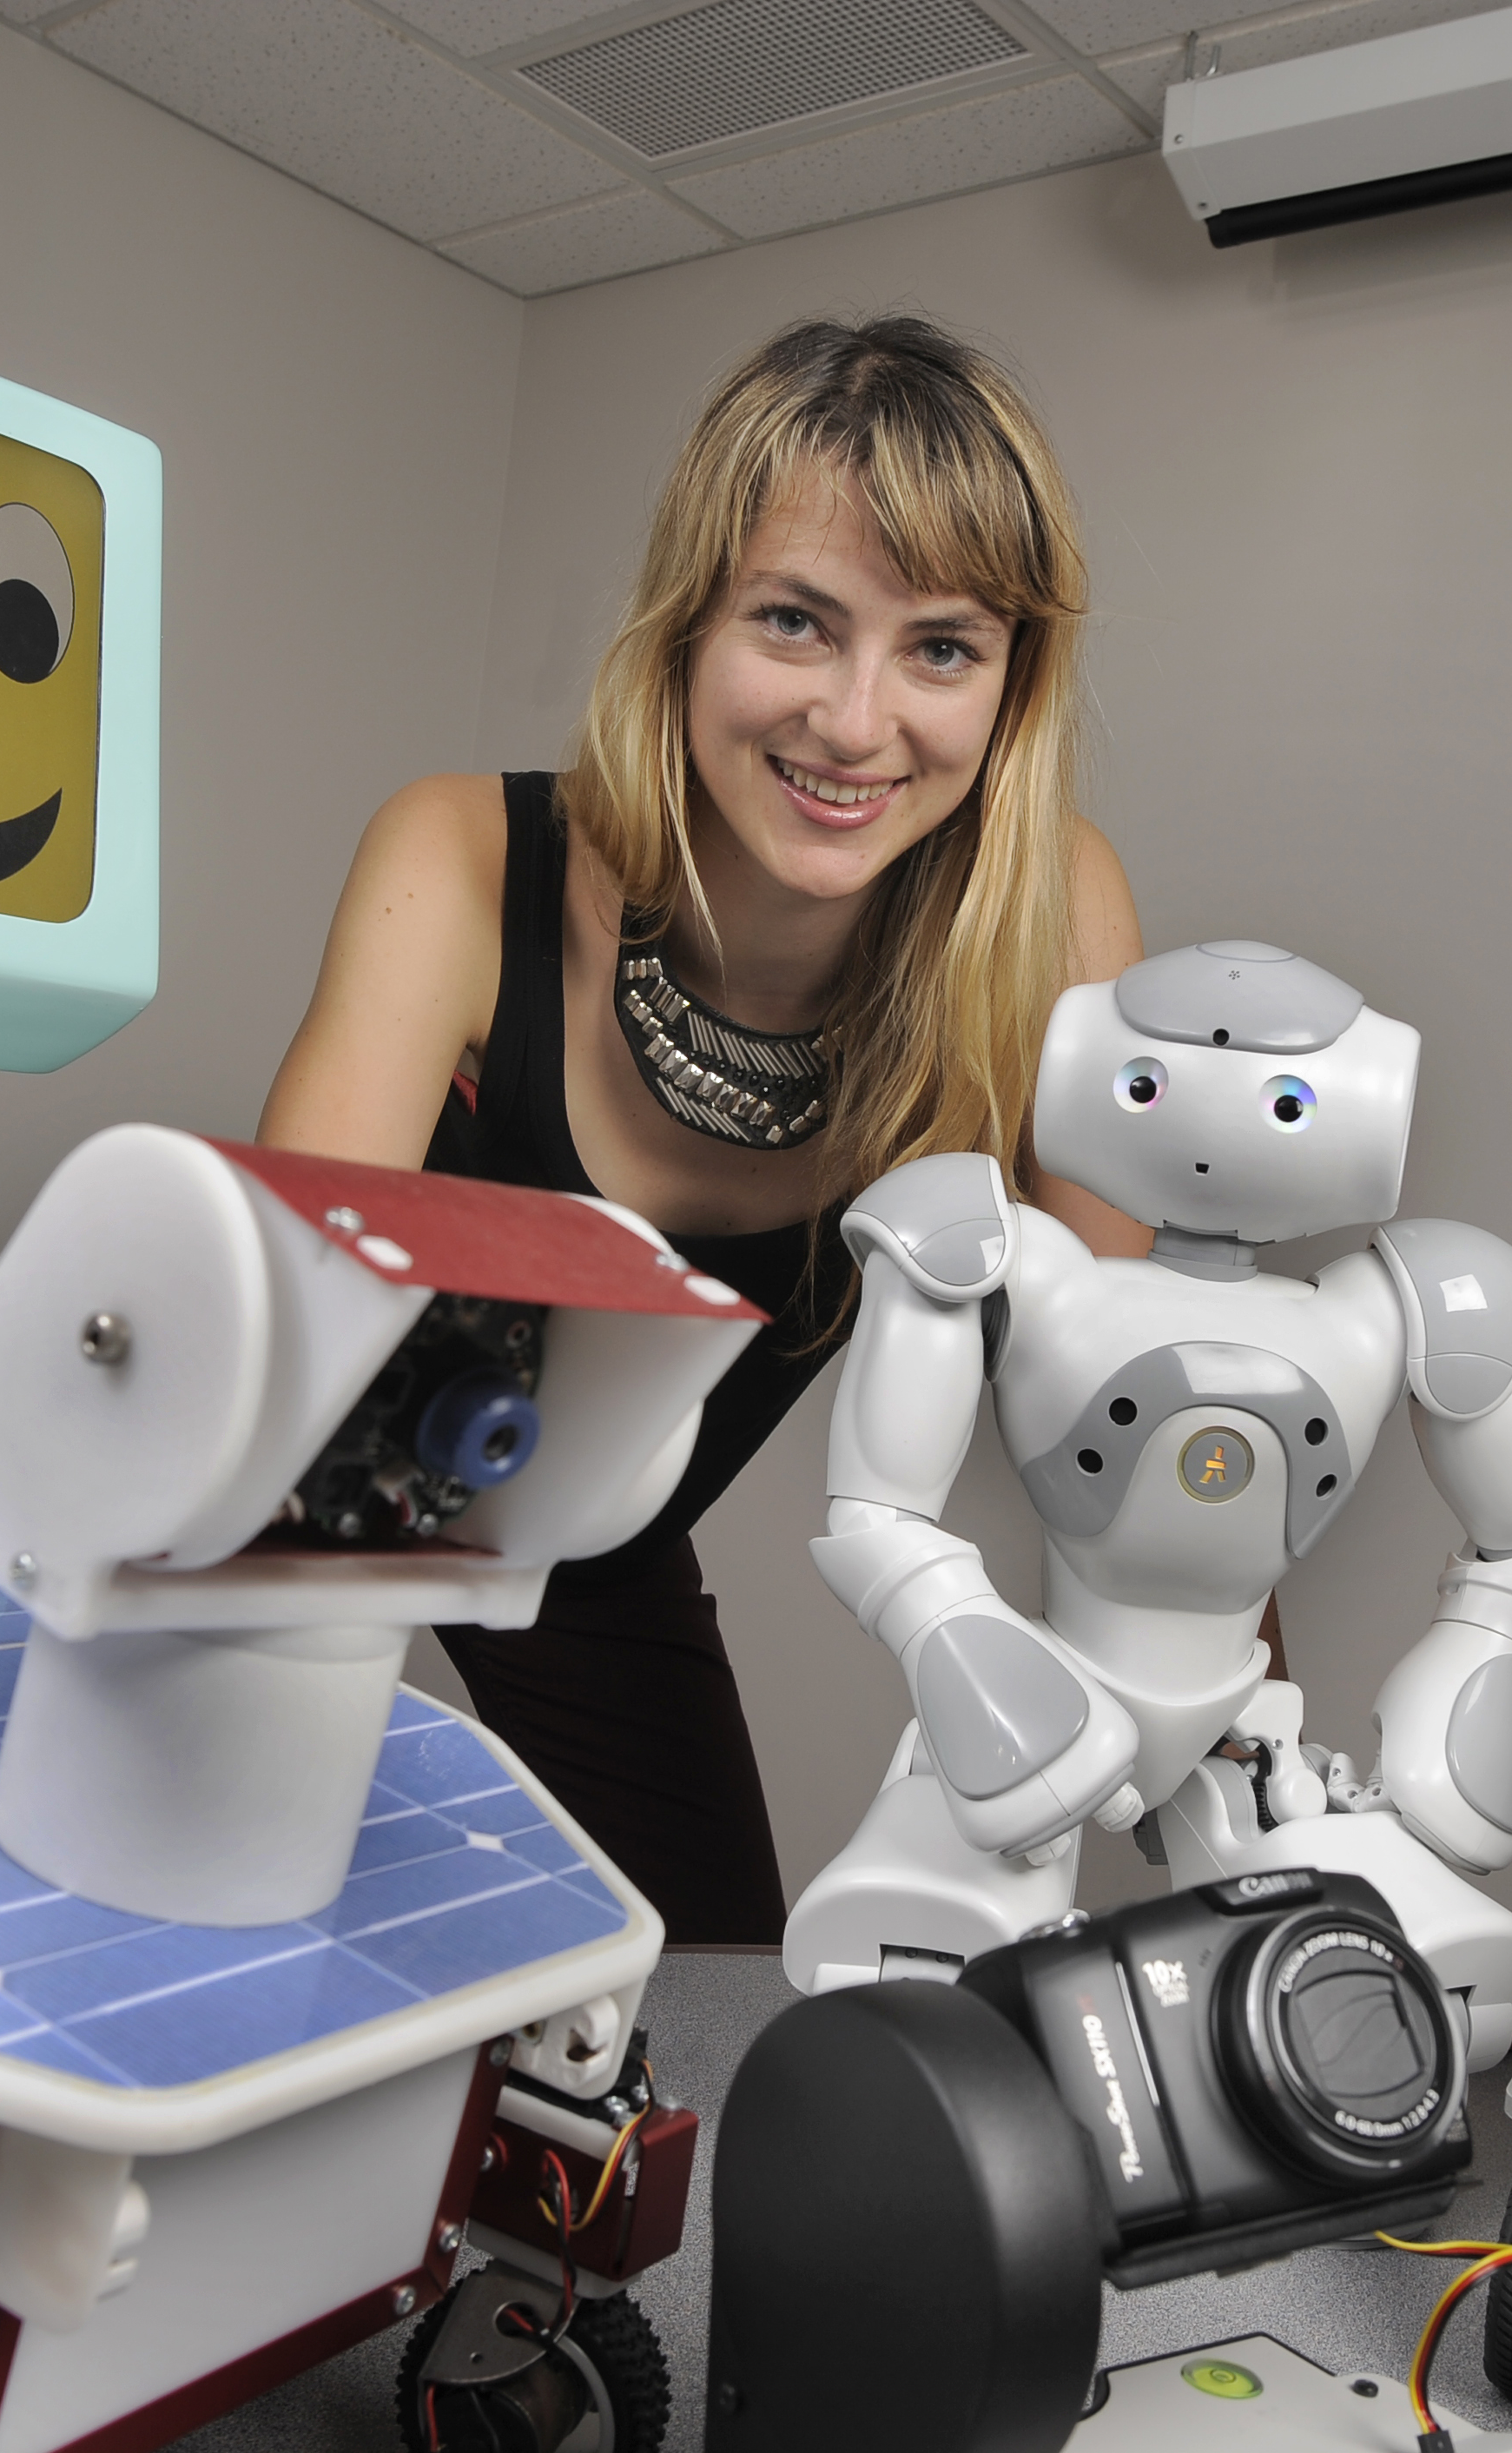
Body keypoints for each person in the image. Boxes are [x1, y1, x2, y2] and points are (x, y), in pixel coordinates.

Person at [258, 315, 1147, 1945]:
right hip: (324, 1487)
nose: (857, 723)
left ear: (1012, 685)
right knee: (224, 1914)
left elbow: (1147, 1422)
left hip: (604, 1558)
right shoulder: (461, 858)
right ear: (687, 622)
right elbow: (273, 1344)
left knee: (710, 1992)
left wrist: (1268, 1803)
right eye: (795, 621)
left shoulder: (1049, 916)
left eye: (942, 648)